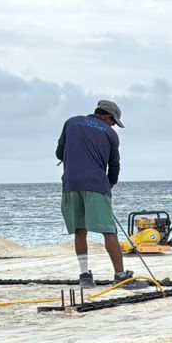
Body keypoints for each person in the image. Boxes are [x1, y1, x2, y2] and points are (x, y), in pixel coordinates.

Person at [56, 99, 134, 288]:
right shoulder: (110, 134)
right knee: (109, 231)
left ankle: (84, 276)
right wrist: (109, 186)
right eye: (113, 121)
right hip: (96, 184)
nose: (113, 125)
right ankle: (120, 275)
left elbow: (59, 153)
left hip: (71, 183)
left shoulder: (71, 122)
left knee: (80, 230)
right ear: (107, 116)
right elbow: (114, 166)